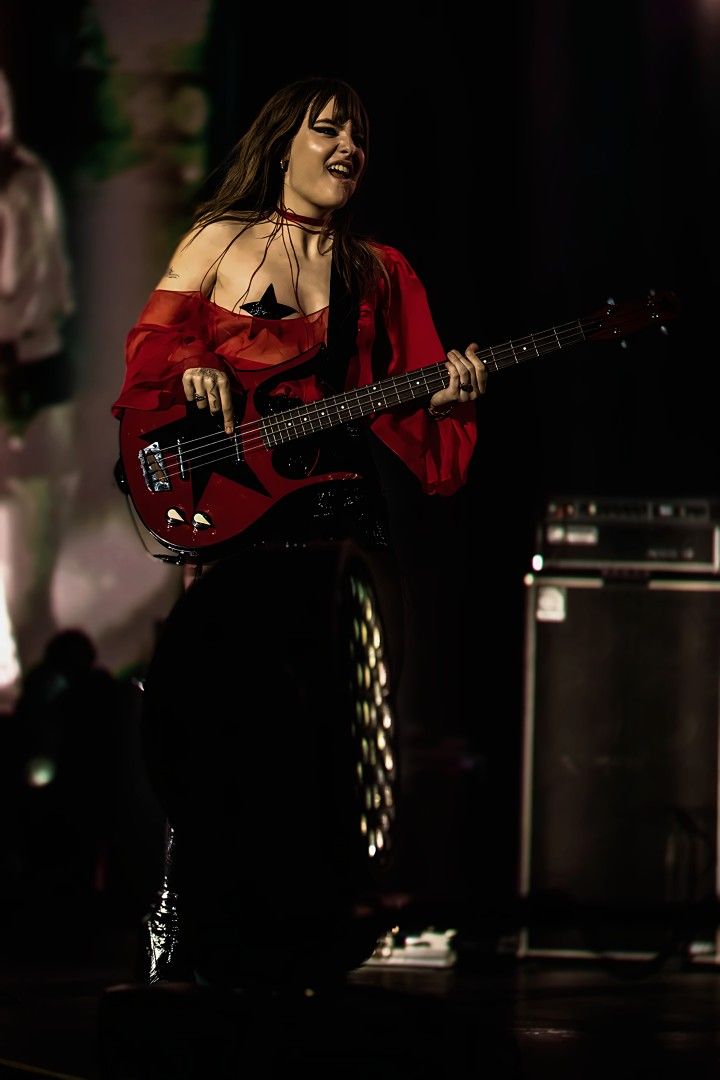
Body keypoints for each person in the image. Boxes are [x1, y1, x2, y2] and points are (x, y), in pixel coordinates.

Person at [111, 76, 487, 992]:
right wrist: (197, 361)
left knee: (336, 737)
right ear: (285, 142)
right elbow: (147, 352)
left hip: (342, 523)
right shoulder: (215, 238)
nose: (348, 150)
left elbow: (414, 417)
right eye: (329, 132)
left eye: (360, 139)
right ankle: (204, 935)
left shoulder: (380, 272)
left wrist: (448, 390)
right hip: (242, 523)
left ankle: (319, 940)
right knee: (224, 727)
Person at [0, 68, 76, 694]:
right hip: (27, 373)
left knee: (31, 560)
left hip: (31, 374)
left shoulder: (26, 184)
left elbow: (34, 289)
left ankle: (33, 694)